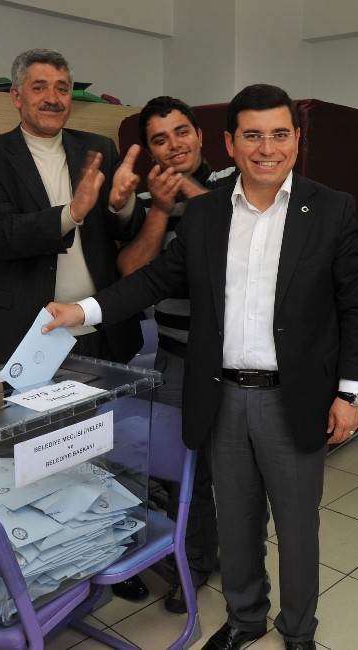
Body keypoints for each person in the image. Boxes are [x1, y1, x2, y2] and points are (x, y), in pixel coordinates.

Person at [42, 84, 358, 650]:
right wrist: (83, 310)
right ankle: (246, 619)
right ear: (230, 142)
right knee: (236, 521)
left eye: (279, 135)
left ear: (297, 140)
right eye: (253, 135)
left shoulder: (330, 208)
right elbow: (154, 279)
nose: (267, 148)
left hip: (294, 396)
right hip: (222, 395)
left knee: (297, 526)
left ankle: (298, 631)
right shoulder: (206, 213)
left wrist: (351, 393)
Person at [0, 48, 148, 601]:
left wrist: (121, 205)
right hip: (28, 333)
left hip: (96, 327)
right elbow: (2, 236)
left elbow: (122, 229)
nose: (52, 98)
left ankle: (103, 552)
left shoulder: (98, 149)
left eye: (62, 88)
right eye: (40, 87)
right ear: (17, 96)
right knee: (23, 450)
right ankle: (29, 568)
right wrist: (72, 213)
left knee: (95, 448)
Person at [118, 96, 235, 614]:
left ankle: (229, 560)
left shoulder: (233, 182)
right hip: (173, 356)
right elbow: (132, 274)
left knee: (235, 468)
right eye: (160, 139)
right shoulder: (151, 202)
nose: (174, 145)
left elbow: (238, 237)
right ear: (151, 151)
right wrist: (161, 209)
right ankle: (193, 561)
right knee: (180, 469)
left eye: (182, 132)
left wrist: (186, 192)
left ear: (201, 136)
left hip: (230, 360)